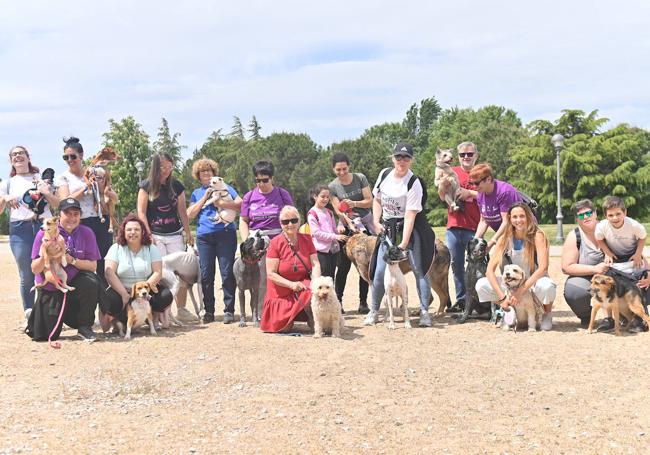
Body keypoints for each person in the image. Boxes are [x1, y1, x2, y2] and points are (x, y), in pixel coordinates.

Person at [365, 143, 436, 328]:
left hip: (410, 229)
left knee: (420, 268)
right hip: (387, 229)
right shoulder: (384, 174)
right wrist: (376, 221)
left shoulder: (414, 183)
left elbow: (410, 216)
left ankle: (424, 312)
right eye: (398, 157)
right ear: (392, 158)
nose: (401, 161)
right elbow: (377, 200)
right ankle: (374, 311)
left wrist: (403, 245)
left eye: (406, 158)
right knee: (380, 271)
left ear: (411, 160)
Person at [29, 198, 103, 342]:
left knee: (91, 281)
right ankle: (44, 317)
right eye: (67, 213)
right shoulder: (44, 233)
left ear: (80, 216)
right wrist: (47, 256)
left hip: (73, 285)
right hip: (51, 286)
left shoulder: (87, 232)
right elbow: (34, 269)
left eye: (76, 214)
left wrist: (72, 260)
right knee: (44, 335)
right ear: (58, 217)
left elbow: (93, 266)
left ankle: (84, 326)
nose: (72, 218)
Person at [0, 146, 59, 323]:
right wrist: (5, 198)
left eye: (21, 153)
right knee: (26, 273)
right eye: (14, 154)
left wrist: (46, 191)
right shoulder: (7, 184)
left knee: (49, 268)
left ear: (28, 157)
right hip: (20, 228)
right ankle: (29, 313)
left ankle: (48, 313)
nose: (18, 156)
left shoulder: (41, 179)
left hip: (44, 226)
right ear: (11, 160)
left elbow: (57, 204)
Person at [476, 202, 556, 330]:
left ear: (528, 217)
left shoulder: (537, 235)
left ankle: (546, 313)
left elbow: (543, 268)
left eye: (522, 216)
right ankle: (508, 309)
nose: (518, 220)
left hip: (533, 281)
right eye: (514, 217)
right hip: (510, 284)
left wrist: (520, 292)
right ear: (509, 218)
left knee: (546, 286)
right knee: (481, 285)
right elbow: (489, 271)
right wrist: (502, 298)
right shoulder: (504, 238)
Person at [137, 152, 194, 323]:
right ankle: (160, 311)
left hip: (175, 234)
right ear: (156, 167)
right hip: (155, 234)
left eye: (170, 167)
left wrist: (188, 231)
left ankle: (182, 308)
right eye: (163, 167)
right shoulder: (146, 186)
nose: (167, 170)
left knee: (179, 273)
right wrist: (147, 233)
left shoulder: (176, 186)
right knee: (160, 274)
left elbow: (182, 211)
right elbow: (141, 211)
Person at [187, 158, 242, 324]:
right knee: (206, 274)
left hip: (225, 233)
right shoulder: (196, 193)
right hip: (204, 237)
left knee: (226, 272)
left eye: (209, 171)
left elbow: (240, 203)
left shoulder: (226, 187)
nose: (206, 174)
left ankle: (229, 310)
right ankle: (209, 311)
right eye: (202, 171)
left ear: (214, 174)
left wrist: (221, 202)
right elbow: (190, 214)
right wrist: (205, 197)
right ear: (198, 175)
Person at [239, 160, 294, 317]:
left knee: (281, 276)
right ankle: (261, 313)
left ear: (272, 178)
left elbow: (292, 216)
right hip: (257, 242)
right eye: (258, 180)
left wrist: (289, 238)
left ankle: (283, 311)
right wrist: (247, 242)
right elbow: (243, 220)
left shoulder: (282, 194)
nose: (261, 184)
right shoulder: (249, 197)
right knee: (261, 279)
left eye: (265, 180)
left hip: (279, 240)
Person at [56, 137, 115, 280]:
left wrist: (100, 184)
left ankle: (106, 300)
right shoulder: (63, 177)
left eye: (73, 156)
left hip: (101, 221)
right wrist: (85, 187)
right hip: (79, 224)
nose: (69, 159)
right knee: (80, 265)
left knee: (104, 265)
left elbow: (107, 191)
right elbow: (65, 201)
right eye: (66, 157)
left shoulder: (94, 171)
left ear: (81, 155)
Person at [102, 214, 173, 328]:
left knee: (165, 295)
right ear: (123, 232)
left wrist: (143, 289)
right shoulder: (116, 248)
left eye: (136, 229)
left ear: (142, 232)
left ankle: (152, 316)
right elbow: (109, 273)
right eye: (129, 229)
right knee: (108, 298)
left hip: (145, 289)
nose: (132, 232)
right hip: (122, 289)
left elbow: (158, 272)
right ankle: (118, 320)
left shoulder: (151, 248)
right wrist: (124, 293)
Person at [593, 196, 649, 332]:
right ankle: (609, 318)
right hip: (615, 258)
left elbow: (642, 237)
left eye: (618, 213)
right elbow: (599, 239)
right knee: (606, 282)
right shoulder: (601, 227)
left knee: (638, 282)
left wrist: (637, 254)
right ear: (606, 216)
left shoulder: (634, 225)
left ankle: (640, 319)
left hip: (632, 257)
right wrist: (607, 252)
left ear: (625, 212)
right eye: (610, 215)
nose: (615, 218)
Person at [437, 141, 481, 313]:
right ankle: (462, 300)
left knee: (476, 264)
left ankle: (477, 301)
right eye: (462, 154)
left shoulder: (481, 173)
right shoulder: (450, 171)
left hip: (475, 226)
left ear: (476, 155)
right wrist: (442, 186)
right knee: (456, 265)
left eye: (470, 154)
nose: (466, 157)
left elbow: (489, 195)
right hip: (454, 225)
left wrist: (469, 193)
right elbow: (442, 196)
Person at [328, 152, 375, 314]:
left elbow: (370, 200)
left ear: (349, 166)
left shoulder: (360, 178)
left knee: (365, 265)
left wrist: (354, 203)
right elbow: (338, 211)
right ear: (333, 169)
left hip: (366, 222)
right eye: (338, 170)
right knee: (342, 267)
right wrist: (349, 224)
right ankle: (338, 302)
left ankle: (363, 302)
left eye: (344, 169)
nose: (341, 172)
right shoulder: (333, 187)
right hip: (348, 226)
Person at [260, 206, 319, 333]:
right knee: (284, 328)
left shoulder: (307, 239)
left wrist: (316, 282)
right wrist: (291, 285)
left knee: (313, 290)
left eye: (294, 220)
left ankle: (314, 319)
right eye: (285, 222)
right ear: (281, 224)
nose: (290, 224)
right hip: (281, 290)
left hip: (302, 284)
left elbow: (315, 264)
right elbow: (271, 274)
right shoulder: (275, 243)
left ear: (299, 220)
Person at [561, 199, 610, 328]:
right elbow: (566, 267)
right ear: (577, 219)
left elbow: (629, 249)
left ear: (595, 213)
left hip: (614, 275)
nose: (586, 217)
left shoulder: (609, 228)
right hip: (587, 276)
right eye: (581, 215)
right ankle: (587, 316)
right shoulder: (574, 236)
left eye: (588, 213)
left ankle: (629, 316)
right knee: (573, 290)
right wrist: (595, 269)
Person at [470, 163, 524, 251]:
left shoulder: (504, 192)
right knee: (503, 263)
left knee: (522, 263)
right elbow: (484, 221)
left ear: (488, 179)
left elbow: (506, 221)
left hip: (522, 233)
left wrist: (492, 242)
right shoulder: (481, 194)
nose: (474, 187)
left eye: (476, 183)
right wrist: (474, 241)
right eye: (471, 183)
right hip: (505, 234)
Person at [307, 184, 347, 280]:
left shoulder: (329, 212)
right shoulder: (312, 213)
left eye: (327, 197)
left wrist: (339, 230)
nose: (325, 199)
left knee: (331, 277)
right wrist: (335, 237)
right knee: (322, 278)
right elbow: (317, 233)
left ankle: (331, 295)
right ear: (315, 196)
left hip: (332, 250)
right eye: (322, 196)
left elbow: (333, 229)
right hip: (320, 251)